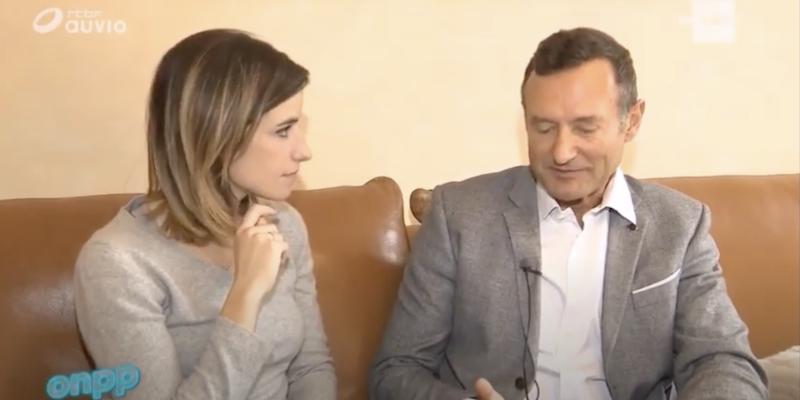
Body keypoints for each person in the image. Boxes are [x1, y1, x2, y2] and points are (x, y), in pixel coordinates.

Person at [368, 27, 768, 400]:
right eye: (543, 128)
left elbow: (723, 361)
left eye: (585, 128)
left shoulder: (680, 225)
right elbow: (396, 370)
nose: (561, 153)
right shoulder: (458, 215)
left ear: (631, 121)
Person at [73, 29, 336, 400]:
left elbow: (311, 366)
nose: (303, 151)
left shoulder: (284, 223)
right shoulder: (118, 263)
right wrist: (245, 293)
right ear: (217, 135)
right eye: (283, 131)